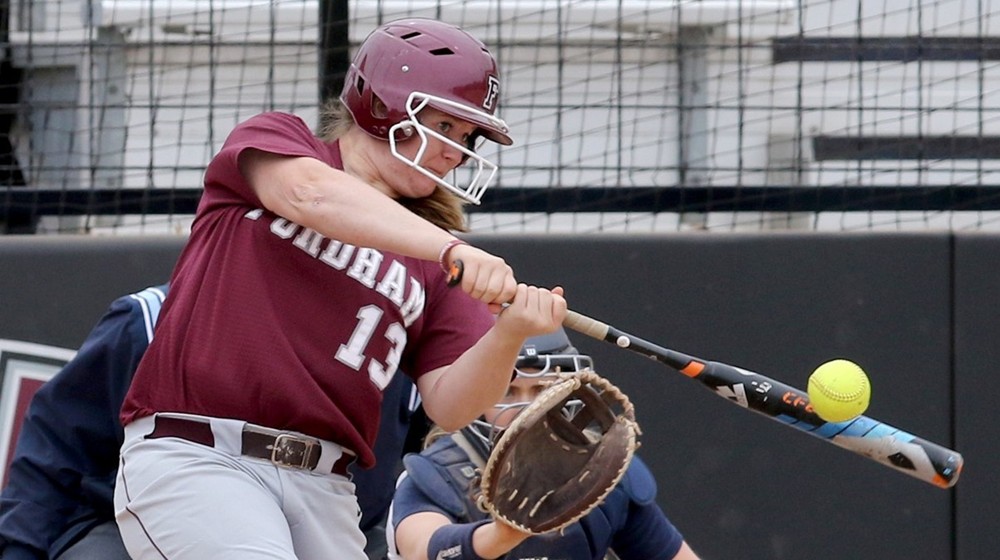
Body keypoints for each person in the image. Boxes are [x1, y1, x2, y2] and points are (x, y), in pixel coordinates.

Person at [113, 17, 567, 560]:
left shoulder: (433, 255)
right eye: (447, 127)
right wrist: (452, 250)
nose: (459, 151)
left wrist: (509, 334)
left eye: (467, 138)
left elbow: (451, 405)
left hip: (326, 486)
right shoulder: (281, 141)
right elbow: (309, 195)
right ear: (385, 105)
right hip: (204, 455)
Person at [0, 284, 428, 560]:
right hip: (131, 528)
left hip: (334, 527)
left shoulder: (397, 353)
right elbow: (55, 457)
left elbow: (422, 472)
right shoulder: (152, 319)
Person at [387, 328, 700, 560]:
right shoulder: (437, 473)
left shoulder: (603, 473)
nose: (526, 408)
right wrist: (502, 535)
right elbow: (424, 550)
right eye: (506, 392)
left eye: (540, 389)